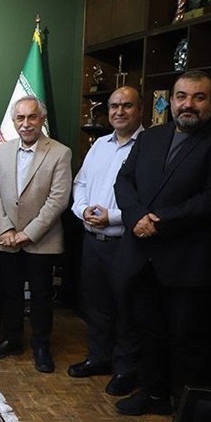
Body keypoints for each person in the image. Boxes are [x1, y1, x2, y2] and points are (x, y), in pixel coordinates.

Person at [113, 71, 211, 422]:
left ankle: (187, 421)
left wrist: (158, 223)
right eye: (181, 96)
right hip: (146, 259)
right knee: (152, 334)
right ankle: (153, 395)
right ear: (171, 101)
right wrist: (136, 217)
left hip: (193, 265)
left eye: (199, 97)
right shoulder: (151, 136)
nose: (188, 104)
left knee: (190, 346)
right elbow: (124, 181)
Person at [0, 96, 72, 373]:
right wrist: (6, 229)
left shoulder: (60, 152)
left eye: (32, 117)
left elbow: (58, 199)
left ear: (41, 119)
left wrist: (28, 233)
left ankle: (41, 346)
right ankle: (11, 340)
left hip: (41, 241)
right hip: (6, 238)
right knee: (10, 293)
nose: (26, 123)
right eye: (20, 118)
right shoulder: (2, 151)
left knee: (41, 297)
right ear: (13, 121)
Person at [68, 86, 143, 396]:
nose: (119, 111)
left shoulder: (148, 147)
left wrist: (111, 217)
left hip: (125, 243)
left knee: (127, 307)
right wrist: (83, 209)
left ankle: (126, 369)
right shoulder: (99, 145)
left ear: (140, 109)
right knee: (96, 305)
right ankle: (99, 358)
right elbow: (80, 183)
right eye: (114, 106)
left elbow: (147, 200)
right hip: (92, 241)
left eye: (127, 105)